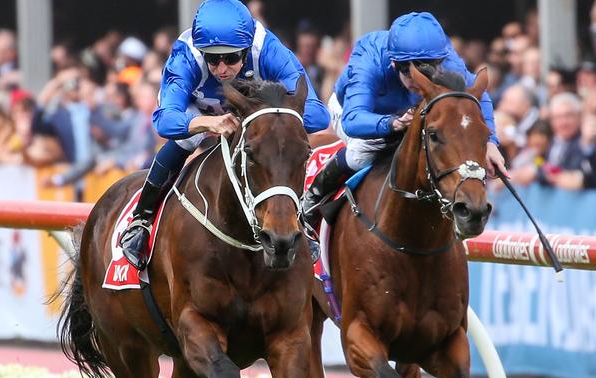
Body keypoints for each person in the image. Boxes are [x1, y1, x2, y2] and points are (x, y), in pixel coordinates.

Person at [120, 0, 329, 270]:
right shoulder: (186, 55)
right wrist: (208, 122)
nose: (221, 69)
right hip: (200, 107)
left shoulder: (268, 49)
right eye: (213, 58)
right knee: (186, 139)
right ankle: (142, 219)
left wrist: (263, 118)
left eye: (231, 58)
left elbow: (317, 114)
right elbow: (164, 120)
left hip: (252, 108)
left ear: (247, 47)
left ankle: (297, 219)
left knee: (277, 142)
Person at [301, 12, 507, 225]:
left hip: (411, 111)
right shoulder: (368, 59)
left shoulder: (447, 60)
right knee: (360, 154)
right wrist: (393, 123)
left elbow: (478, 98)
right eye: (406, 70)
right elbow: (353, 120)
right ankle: (313, 197)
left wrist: (490, 143)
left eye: (425, 70)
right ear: (393, 63)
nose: (416, 80)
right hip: (354, 110)